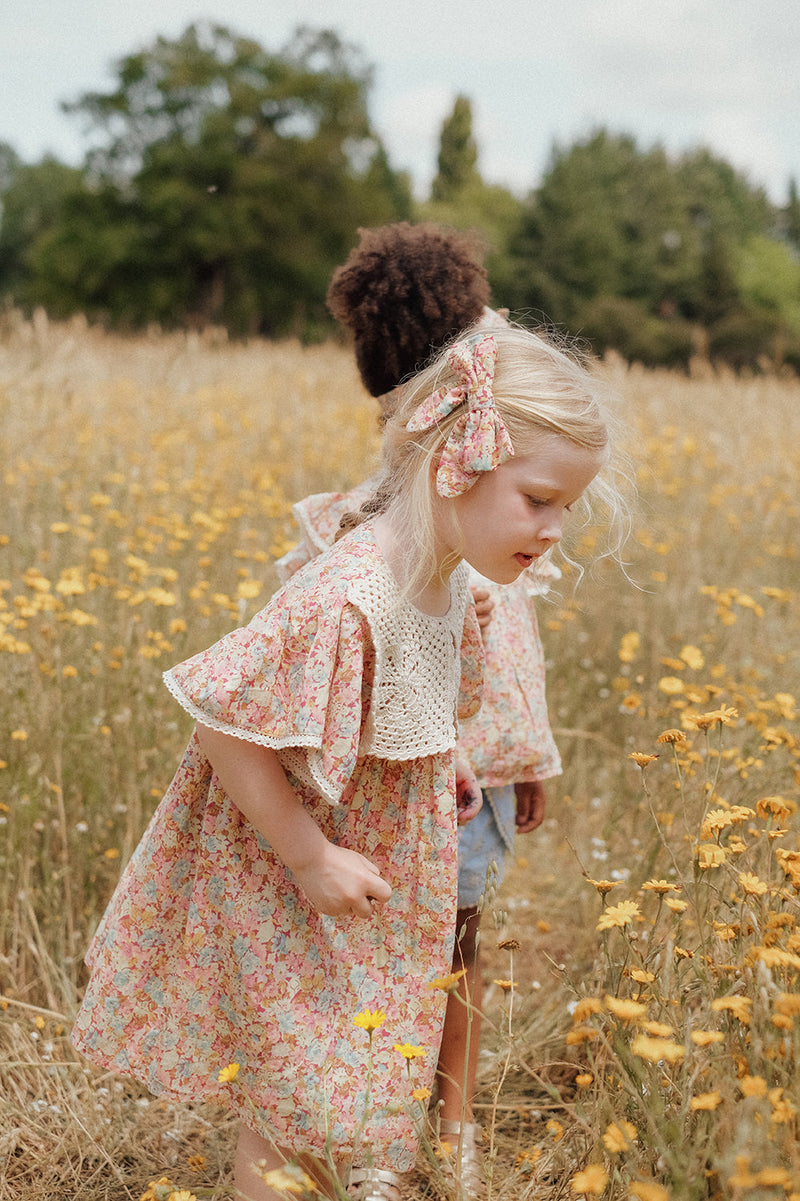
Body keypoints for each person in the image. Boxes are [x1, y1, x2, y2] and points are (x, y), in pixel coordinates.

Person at [72, 321, 616, 1201]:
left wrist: (443, 764)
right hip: (298, 882)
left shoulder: (446, 580)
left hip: (375, 875)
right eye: (541, 499)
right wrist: (308, 854)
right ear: (455, 464)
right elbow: (224, 721)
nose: (555, 530)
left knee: (335, 1094)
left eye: (568, 508)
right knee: (296, 1112)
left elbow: (397, 712)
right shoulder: (350, 592)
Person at [282, 223, 564, 1195]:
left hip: (447, 765)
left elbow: (497, 644)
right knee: (447, 951)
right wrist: (527, 757)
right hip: (439, 765)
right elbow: (502, 650)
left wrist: (521, 758)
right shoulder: (432, 498)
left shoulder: (457, 485)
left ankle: (425, 1139)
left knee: (416, 951)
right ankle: (417, 1134)